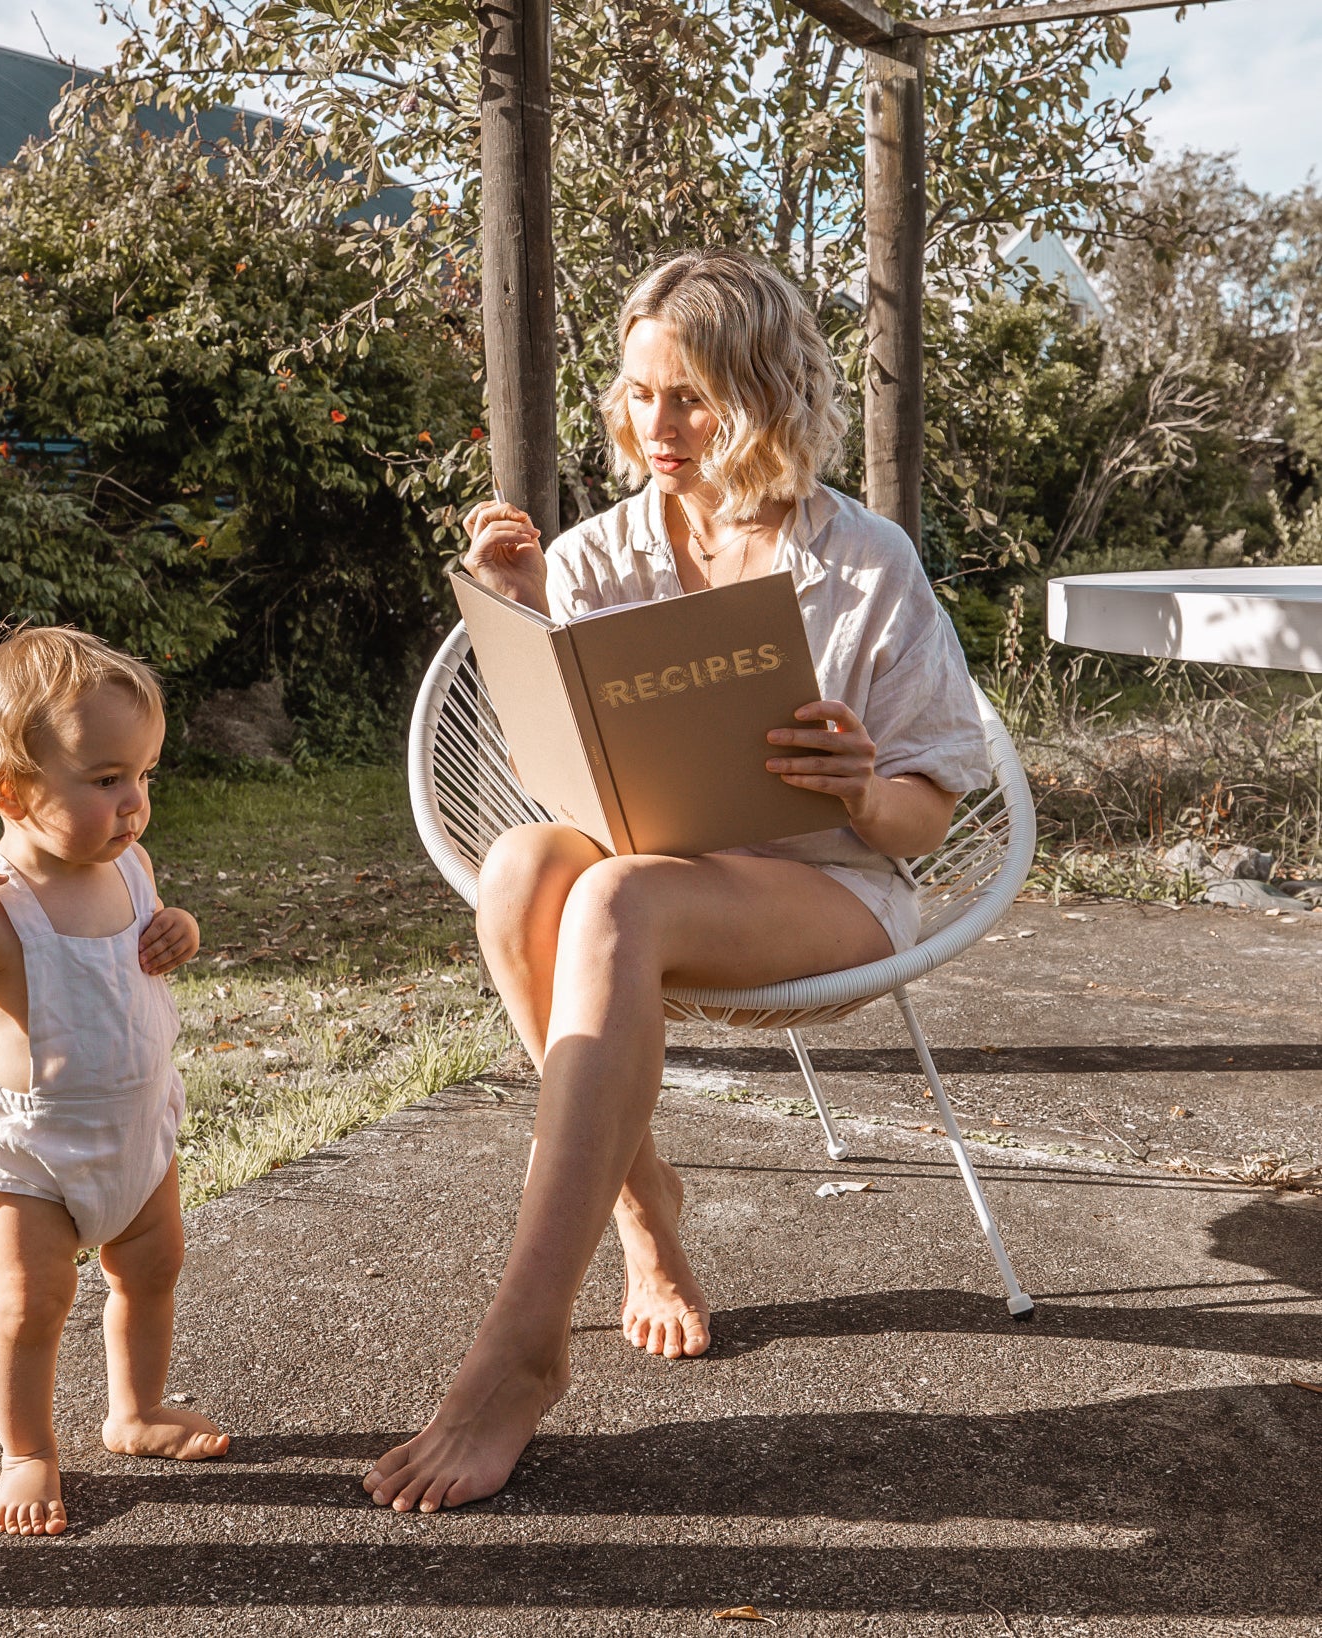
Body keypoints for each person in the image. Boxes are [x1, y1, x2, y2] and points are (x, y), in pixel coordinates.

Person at [364, 248, 991, 1513]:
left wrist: (860, 785)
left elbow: (925, 813)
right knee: (525, 870)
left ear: (768, 396)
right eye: (642, 393)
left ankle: (521, 1350)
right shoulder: (599, 555)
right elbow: (568, 766)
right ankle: (644, 1205)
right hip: (647, 862)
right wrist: (522, 614)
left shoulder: (867, 564)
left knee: (615, 898)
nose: (659, 427)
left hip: (822, 887)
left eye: (694, 398)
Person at [0, 624, 226, 1537]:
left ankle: (136, 1410)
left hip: (136, 1127)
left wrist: (180, 931)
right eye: (108, 779)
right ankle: (28, 1450)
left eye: (144, 777)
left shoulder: (131, 866)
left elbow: (148, 947)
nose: (135, 802)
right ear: (10, 789)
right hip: (34, 1149)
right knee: (33, 1304)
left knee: (153, 1268)